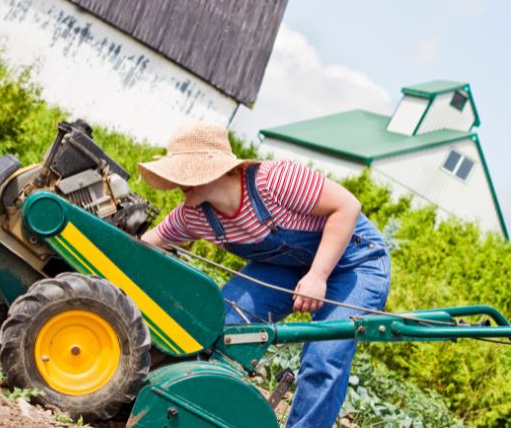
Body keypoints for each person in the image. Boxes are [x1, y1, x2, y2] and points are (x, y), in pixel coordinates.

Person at [139, 121, 390, 428]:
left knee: (324, 357)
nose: (180, 183)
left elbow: (347, 206)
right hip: (286, 268)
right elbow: (142, 248)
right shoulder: (195, 216)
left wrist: (318, 275)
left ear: (219, 169)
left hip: (355, 262)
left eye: (187, 172)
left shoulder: (275, 181)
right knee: (222, 325)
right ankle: (196, 409)